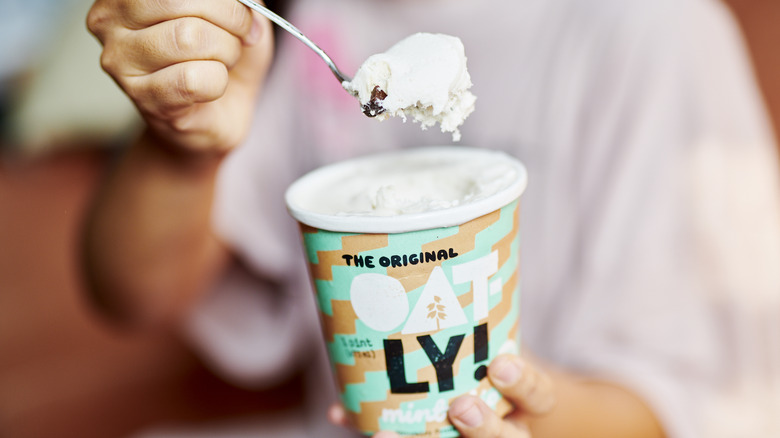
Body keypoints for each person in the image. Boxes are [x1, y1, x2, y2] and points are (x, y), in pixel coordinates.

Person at [83, 0, 780, 436]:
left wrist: (524, 415)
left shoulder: (654, 30)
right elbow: (134, 295)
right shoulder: (314, 25)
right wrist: (181, 147)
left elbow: (694, 407)